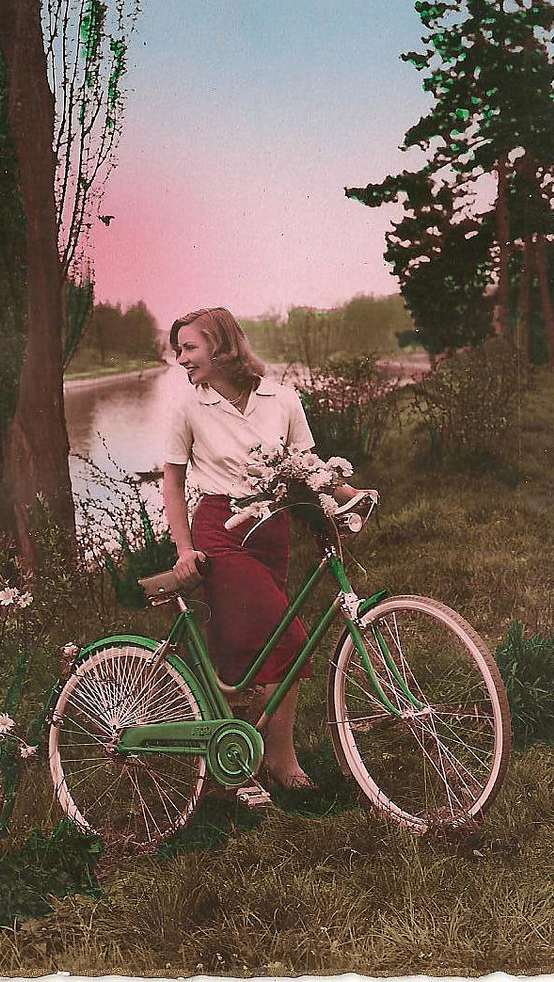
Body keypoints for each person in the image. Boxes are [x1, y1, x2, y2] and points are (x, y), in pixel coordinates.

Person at [163, 306, 357, 789]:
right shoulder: (189, 407)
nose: (181, 359)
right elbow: (172, 482)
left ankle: (231, 758)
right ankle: (280, 761)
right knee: (290, 640)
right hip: (220, 532)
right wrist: (184, 549)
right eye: (179, 349)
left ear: (224, 345)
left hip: (272, 531)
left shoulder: (281, 398)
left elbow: (306, 466)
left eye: (190, 347)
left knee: (250, 646)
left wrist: (348, 498)